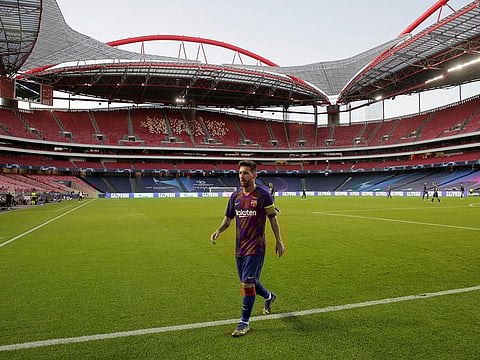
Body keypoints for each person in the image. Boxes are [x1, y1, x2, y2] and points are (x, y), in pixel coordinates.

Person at [210, 160, 286, 337]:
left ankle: (244, 322)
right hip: (240, 248)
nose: (241, 176)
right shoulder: (235, 197)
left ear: (254, 175)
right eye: (240, 173)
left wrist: (279, 241)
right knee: (249, 281)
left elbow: (273, 219)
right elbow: (228, 219)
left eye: (245, 173)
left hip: (256, 247)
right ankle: (269, 297)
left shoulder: (263, 196)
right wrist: (218, 231)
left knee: (247, 284)